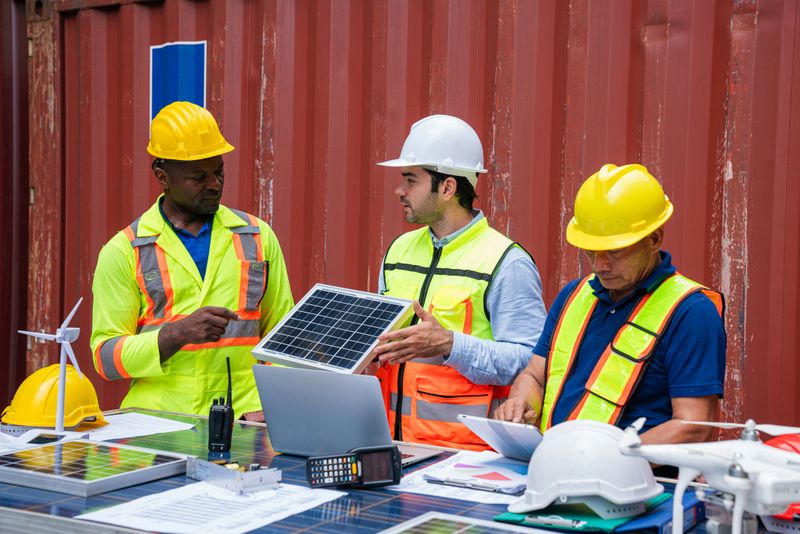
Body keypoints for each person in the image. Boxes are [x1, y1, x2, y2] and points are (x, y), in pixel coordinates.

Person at [494, 163, 726, 445]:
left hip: (637, 481)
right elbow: (535, 375)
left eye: (615, 252)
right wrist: (520, 402)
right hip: (555, 467)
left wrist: (611, 458)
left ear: (654, 239)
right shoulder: (573, 295)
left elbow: (692, 425)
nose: (600, 265)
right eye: (592, 251)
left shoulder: (691, 311)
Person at [90, 101, 293, 419]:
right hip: (157, 425)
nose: (214, 184)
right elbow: (106, 359)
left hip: (244, 419)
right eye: (198, 177)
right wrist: (176, 334)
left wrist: (273, 404)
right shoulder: (123, 251)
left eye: (219, 171)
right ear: (162, 176)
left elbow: (285, 337)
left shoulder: (257, 237)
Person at [372, 114, 547, 450]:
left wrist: (450, 345)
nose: (399, 190)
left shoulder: (507, 263)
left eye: (411, 180)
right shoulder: (398, 251)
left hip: (466, 456)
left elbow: (529, 361)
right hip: (391, 448)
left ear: (448, 187)